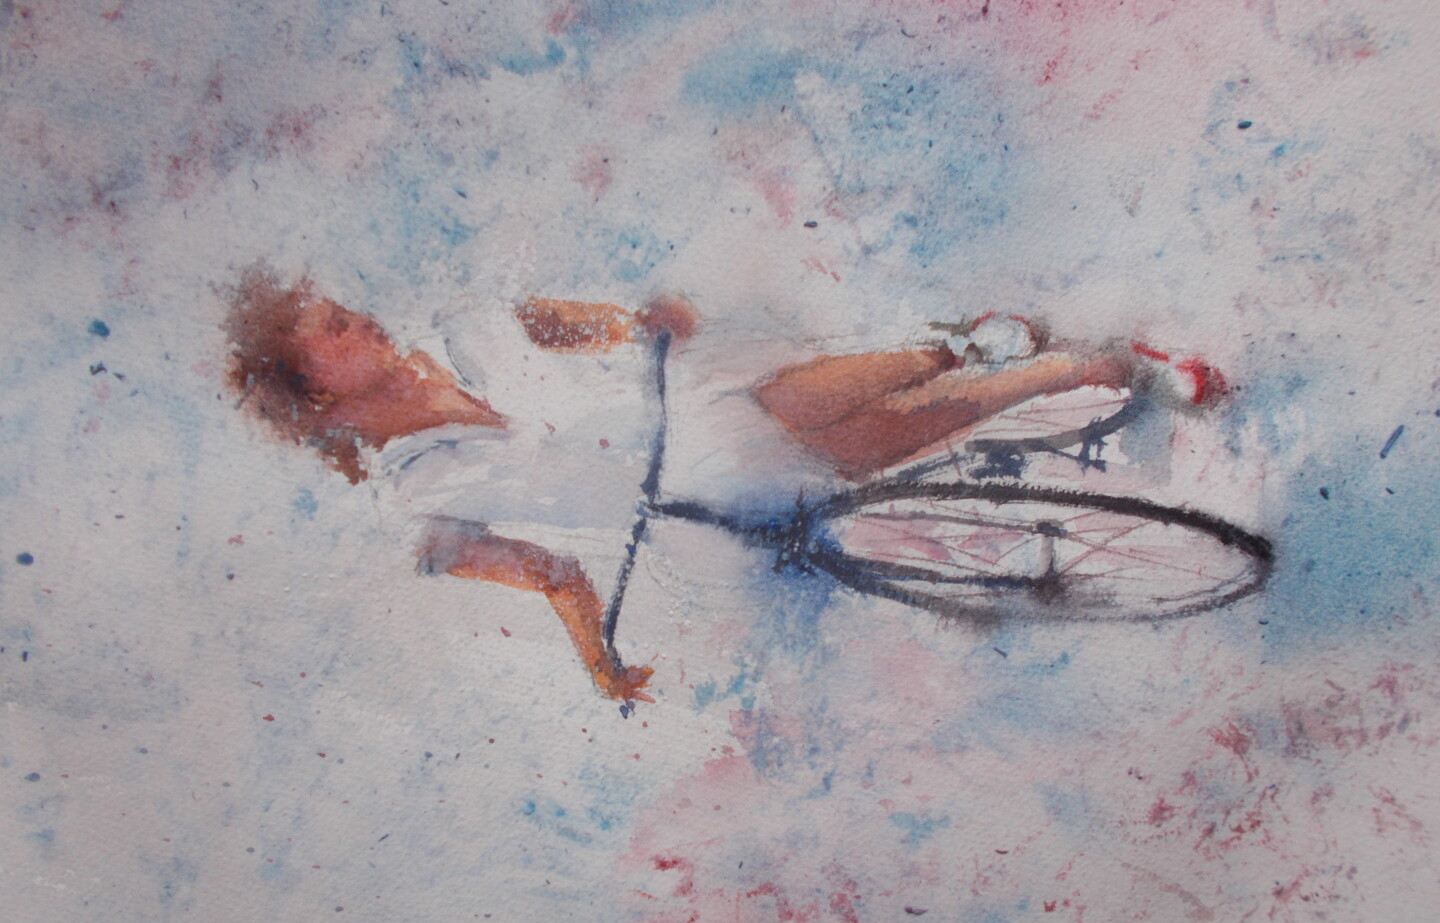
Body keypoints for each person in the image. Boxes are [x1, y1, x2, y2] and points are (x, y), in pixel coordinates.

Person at [224, 270, 1222, 701]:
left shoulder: (465, 326)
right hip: (693, 506)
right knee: (870, 441)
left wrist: (640, 321)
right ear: (319, 395)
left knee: (793, 403)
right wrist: (602, 667)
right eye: (336, 331)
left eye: (345, 310)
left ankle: (988, 352)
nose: (361, 321)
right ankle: (1051, 368)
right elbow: (550, 574)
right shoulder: (418, 493)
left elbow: (573, 321)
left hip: (688, 403)